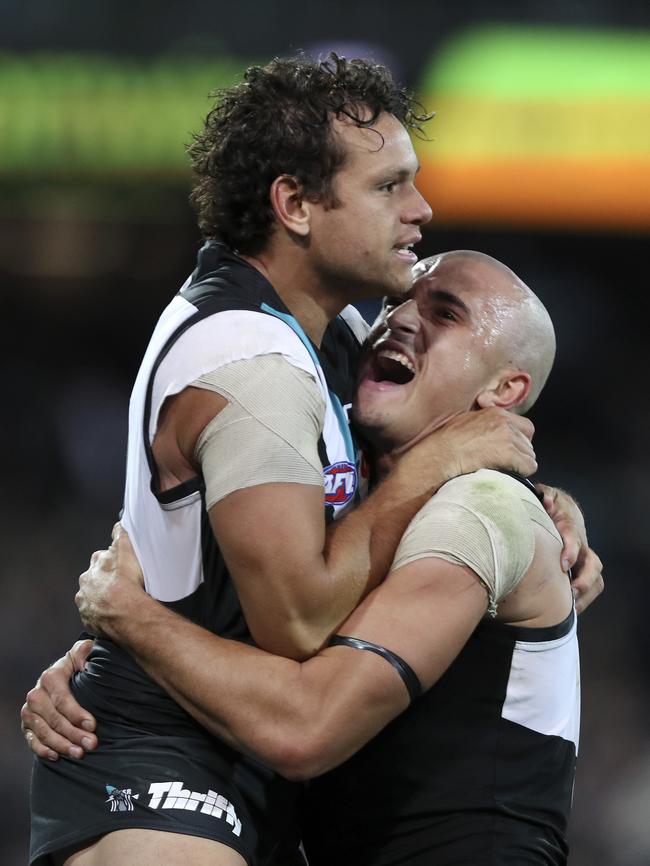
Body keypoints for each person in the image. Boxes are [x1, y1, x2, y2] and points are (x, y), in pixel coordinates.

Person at [24, 55, 551, 866]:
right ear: (296, 204)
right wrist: (425, 470)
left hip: (239, 756)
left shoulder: (324, 336)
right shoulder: (256, 366)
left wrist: (546, 520)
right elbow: (300, 625)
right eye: (388, 187)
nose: (421, 208)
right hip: (162, 768)